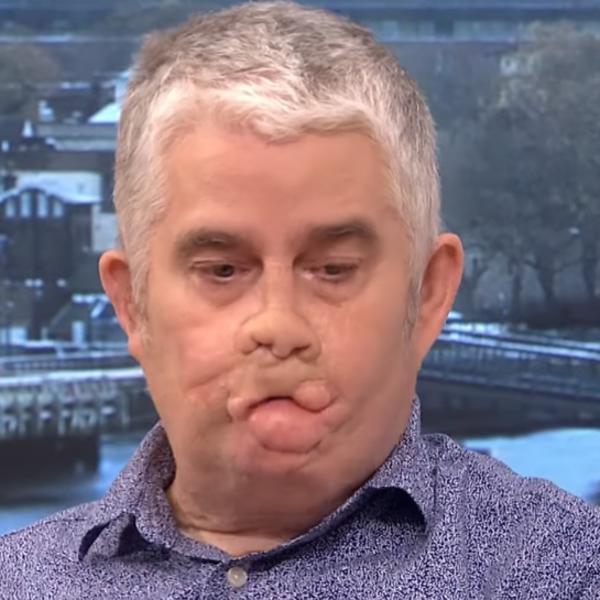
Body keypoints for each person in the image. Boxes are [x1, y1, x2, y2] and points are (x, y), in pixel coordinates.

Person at [1, 2, 599, 598]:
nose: (278, 324)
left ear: (428, 294)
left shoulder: (566, 572)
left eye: (333, 270)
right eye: (223, 270)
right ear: (132, 304)